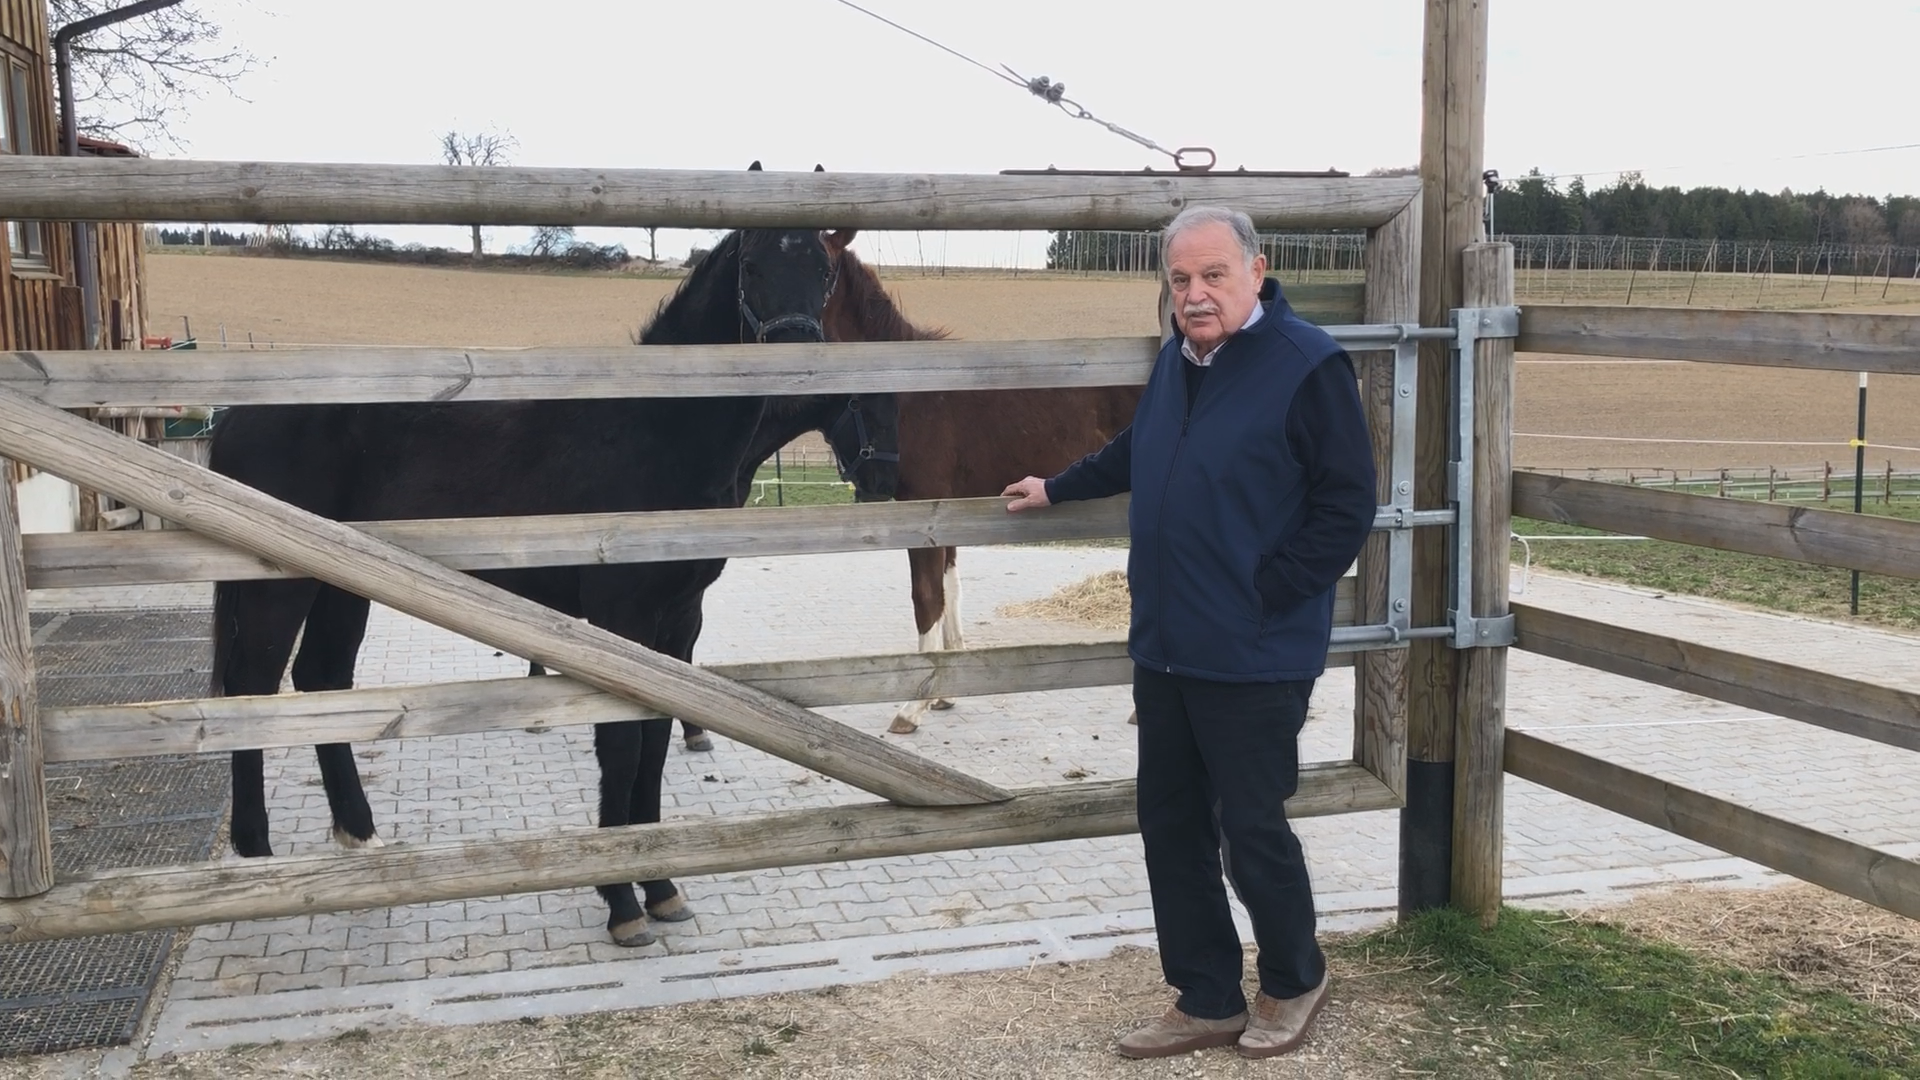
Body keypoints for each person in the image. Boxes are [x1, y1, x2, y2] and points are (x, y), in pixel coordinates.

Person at [1002, 204, 1377, 1060]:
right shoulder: (1179, 357)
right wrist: (1057, 488)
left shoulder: (1307, 364)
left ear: (1257, 269)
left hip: (1253, 649)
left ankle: (1293, 977)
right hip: (1167, 642)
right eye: (1181, 279)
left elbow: (1347, 502)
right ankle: (1206, 995)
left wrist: (1267, 593)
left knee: (1251, 826)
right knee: (1170, 826)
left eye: (1213, 275)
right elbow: (1144, 447)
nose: (1196, 294)